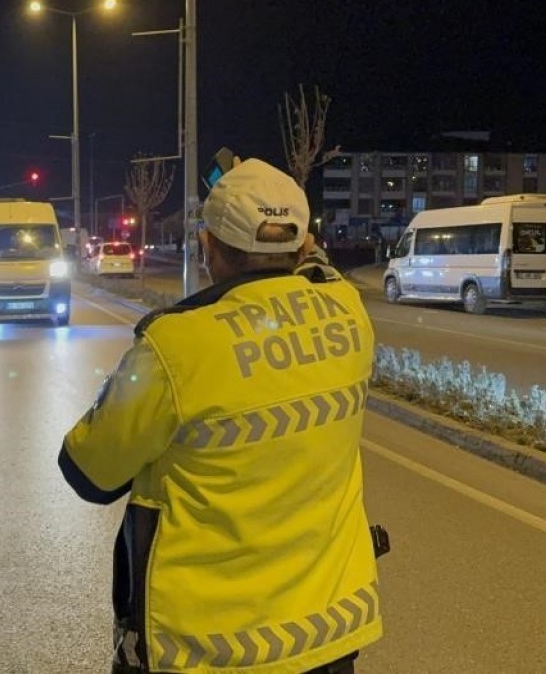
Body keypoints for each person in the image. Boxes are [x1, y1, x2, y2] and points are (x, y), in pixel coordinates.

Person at [59, 158, 382, 674]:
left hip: (210, 648)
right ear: (301, 246)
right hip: (329, 631)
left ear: (208, 248)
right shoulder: (348, 313)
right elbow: (319, 268)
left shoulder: (178, 344)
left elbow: (89, 471)